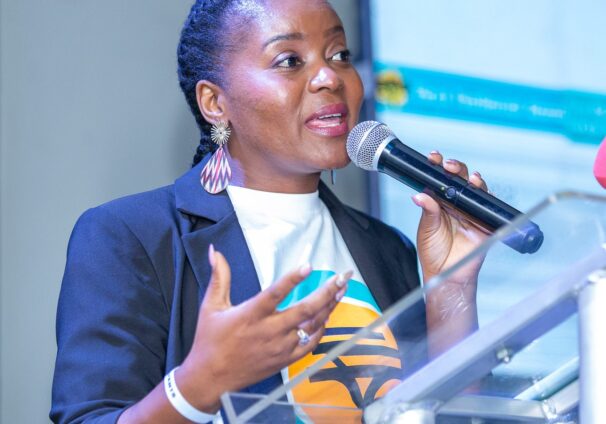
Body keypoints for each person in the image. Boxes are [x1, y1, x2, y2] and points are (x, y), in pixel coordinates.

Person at [50, 0, 488, 423]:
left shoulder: (386, 247)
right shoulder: (130, 236)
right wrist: (199, 384)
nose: (329, 77)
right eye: (289, 61)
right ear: (215, 103)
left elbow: (443, 413)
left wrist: (452, 287)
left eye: (339, 55)